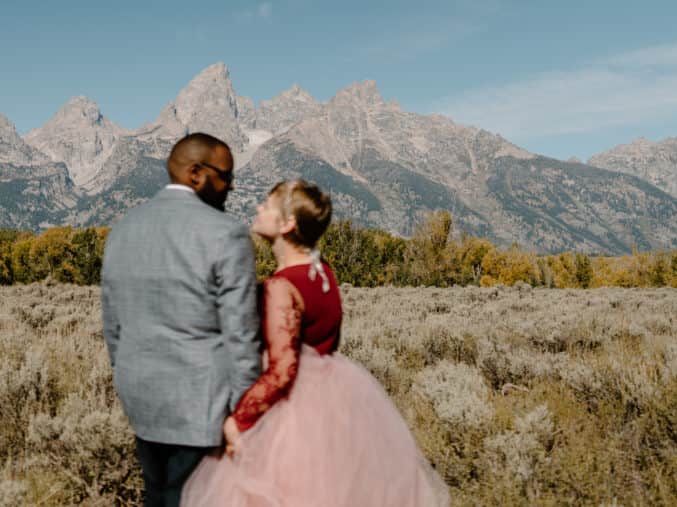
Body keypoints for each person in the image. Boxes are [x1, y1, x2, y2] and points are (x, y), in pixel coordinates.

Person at [182, 180, 451, 506]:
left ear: (288, 223)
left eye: (266, 205)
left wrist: (238, 420)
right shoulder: (322, 272)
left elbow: (282, 370)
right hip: (334, 406)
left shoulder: (283, 285)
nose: (258, 208)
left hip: (291, 414)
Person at [101, 132, 262, 507]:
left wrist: (127, 377)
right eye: (225, 175)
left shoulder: (123, 229)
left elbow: (113, 326)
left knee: (156, 495)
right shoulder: (226, 233)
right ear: (196, 174)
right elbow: (241, 335)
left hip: (141, 397)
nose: (231, 185)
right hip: (205, 405)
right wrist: (246, 414)